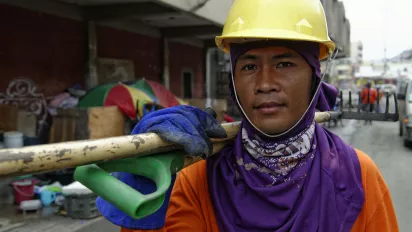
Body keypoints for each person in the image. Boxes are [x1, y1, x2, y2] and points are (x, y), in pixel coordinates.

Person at [96, 0, 399, 231]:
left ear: (314, 78)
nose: (265, 84)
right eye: (249, 66)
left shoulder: (356, 177)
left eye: (284, 64)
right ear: (233, 82)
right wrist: (147, 186)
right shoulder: (197, 179)